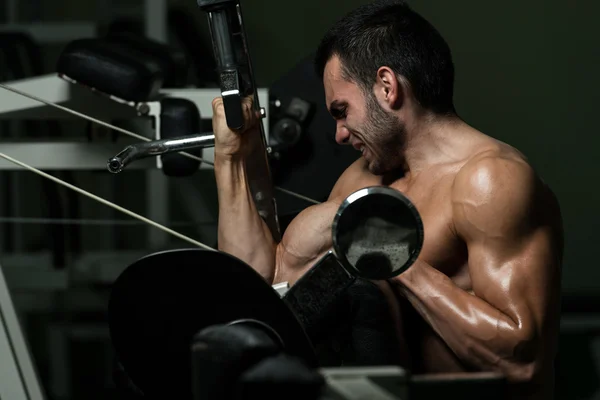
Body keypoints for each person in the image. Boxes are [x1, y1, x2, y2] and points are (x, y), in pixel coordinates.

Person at [210, 0, 563, 398]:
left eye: (342, 111)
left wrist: (399, 262)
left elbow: (523, 362)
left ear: (387, 86)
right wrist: (231, 159)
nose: (340, 134)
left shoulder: (490, 180)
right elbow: (260, 288)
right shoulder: (361, 180)